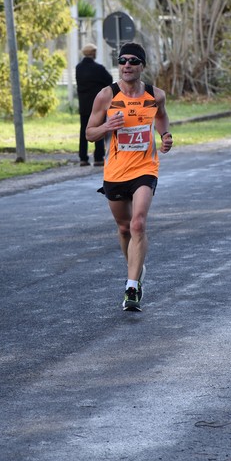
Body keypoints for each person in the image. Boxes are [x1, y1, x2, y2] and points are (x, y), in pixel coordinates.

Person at [86, 42, 173, 311]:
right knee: (124, 228)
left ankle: (132, 286)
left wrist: (165, 135)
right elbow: (89, 133)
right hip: (115, 172)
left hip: (145, 168)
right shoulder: (106, 96)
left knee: (138, 224)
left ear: (142, 66)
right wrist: (106, 126)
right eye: (122, 61)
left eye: (133, 61)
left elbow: (161, 117)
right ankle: (135, 267)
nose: (127, 65)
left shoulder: (155, 94)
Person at [76, 43, 113, 166]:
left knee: (84, 131)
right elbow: (109, 80)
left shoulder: (78, 68)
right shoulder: (98, 68)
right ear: (93, 53)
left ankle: (83, 158)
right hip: (96, 105)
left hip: (83, 104)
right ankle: (98, 157)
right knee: (98, 129)